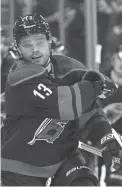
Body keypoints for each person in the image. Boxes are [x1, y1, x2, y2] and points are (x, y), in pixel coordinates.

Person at [1, 13, 122, 186]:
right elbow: (67, 105)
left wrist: (109, 142)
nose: (35, 49)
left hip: (63, 157)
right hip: (22, 165)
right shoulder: (20, 77)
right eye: (27, 45)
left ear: (49, 40)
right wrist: (96, 85)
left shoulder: (69, 67)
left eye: (39, 42)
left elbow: (89, 114)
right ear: (18, 49)